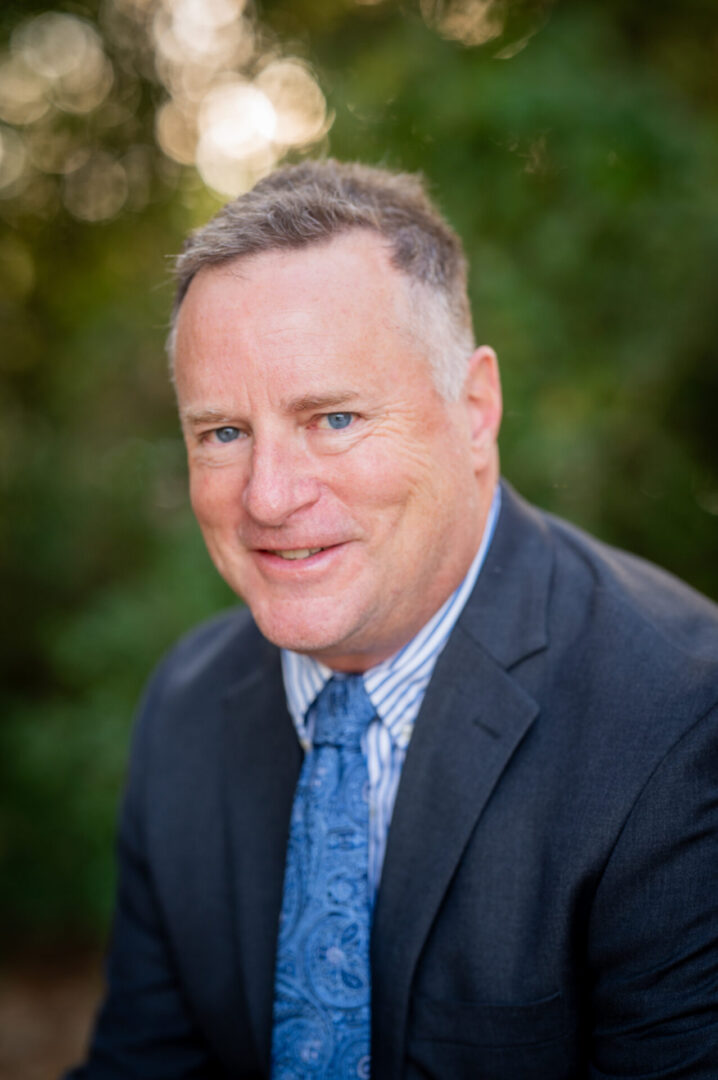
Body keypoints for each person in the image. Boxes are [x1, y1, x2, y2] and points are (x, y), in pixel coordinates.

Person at [68, 160, 718, 1080]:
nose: (270, 495)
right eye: (222, 432)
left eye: (332, 418)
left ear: (476, 409)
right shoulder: (184, 704)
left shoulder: (679, 719)